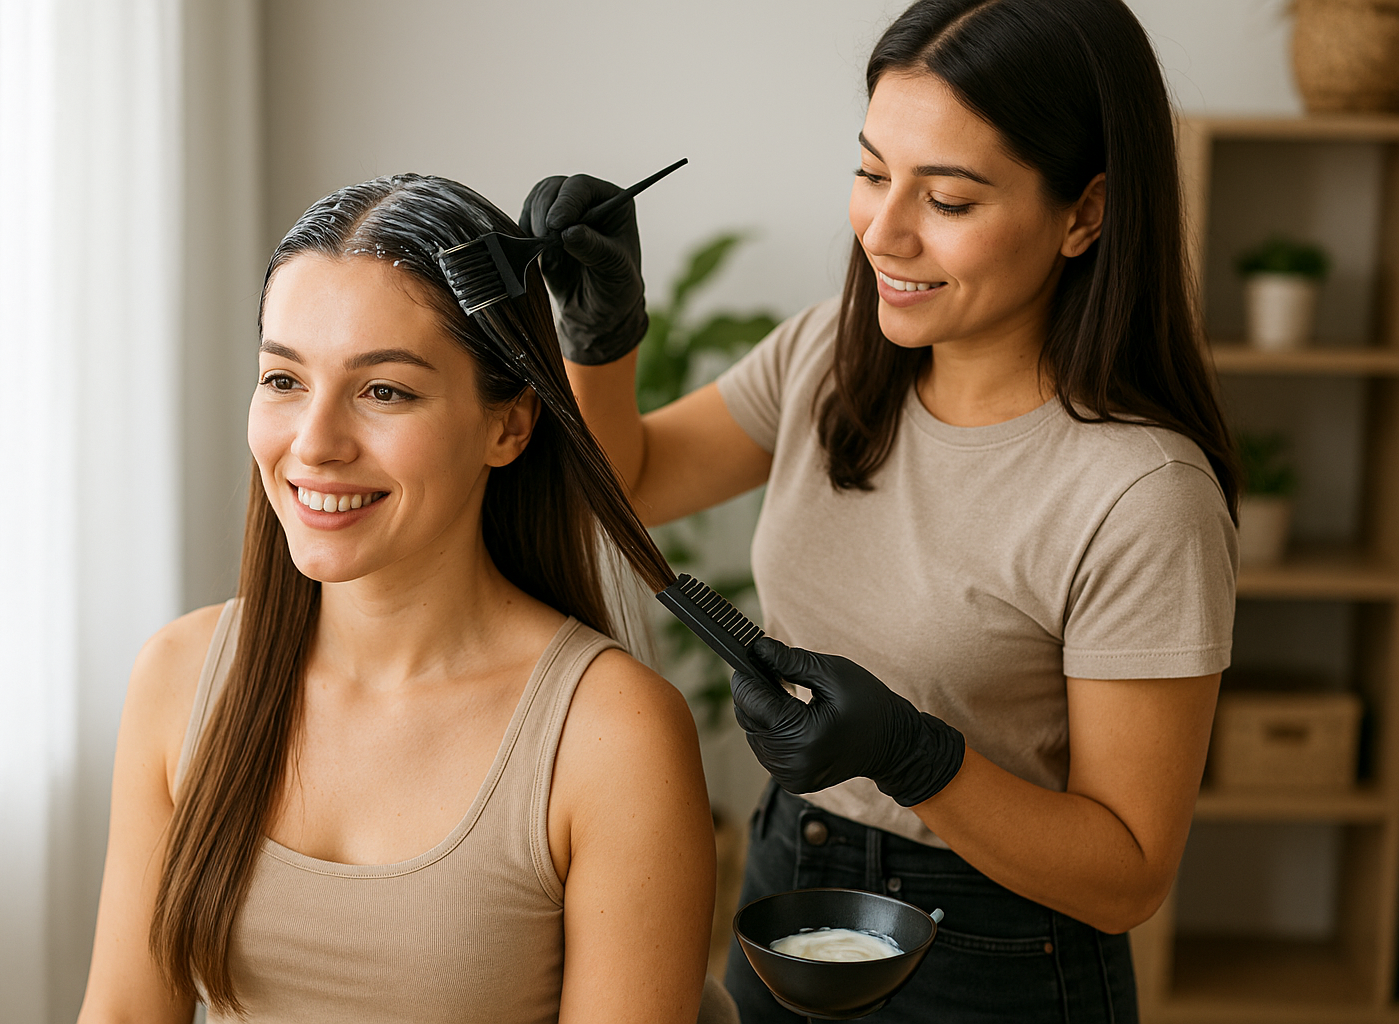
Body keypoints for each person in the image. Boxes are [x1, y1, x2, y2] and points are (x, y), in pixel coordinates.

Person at [519, 1, 1238, 1020]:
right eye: (870, 172)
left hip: (997, 952)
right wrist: (603, 333)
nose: (883, 231)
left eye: (946, 197)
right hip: (788, 885)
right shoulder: (832, 352)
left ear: (1085, 212)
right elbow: (629, 482)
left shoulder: (1142, 494)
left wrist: (915, 756)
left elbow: (1126, 874)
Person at [76, 175, 721, 1024]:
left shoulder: (611, 735)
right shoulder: (181, 676)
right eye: (283, 380)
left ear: (509, 426)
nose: (314, 444)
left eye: (385, 390)